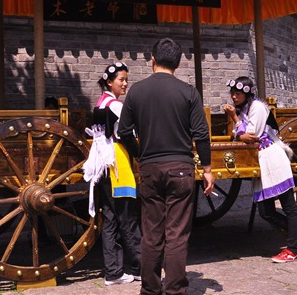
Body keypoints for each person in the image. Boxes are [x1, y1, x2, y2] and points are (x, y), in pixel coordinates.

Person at [118, 38, 214, 295]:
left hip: (150, 168)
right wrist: (207, 169)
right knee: (176, 234)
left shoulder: (136, 92)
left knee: (151, 233)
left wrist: (139, 154)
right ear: (179, 62)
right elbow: (202, 135)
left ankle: (150, 289)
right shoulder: (189, 92)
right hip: (181, 168)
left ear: (152, 59)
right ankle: (175, 290)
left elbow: (123, 131)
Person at [222, 76, 297, 263]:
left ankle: (293, 250)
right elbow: (240, 135)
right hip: (261, 161)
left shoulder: (257, 107)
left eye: (238, 93)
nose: (234, 96)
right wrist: (240, 131)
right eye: (232, 93)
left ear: (247, 93)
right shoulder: (245, 110)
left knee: (289, 206)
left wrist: (234, 119)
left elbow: (252, 135)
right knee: (265, 211)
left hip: (273, 158)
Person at [83, 62, 141, 286]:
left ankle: (114, 272)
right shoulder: (115, 105)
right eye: (121, 80)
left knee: (110, 219)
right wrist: (139, 154)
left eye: (126, 79)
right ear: (109, 81)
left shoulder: (99, 103)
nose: (125, 83)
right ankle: (139, 267)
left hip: (103, 163)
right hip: (117, 162)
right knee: (128, 218)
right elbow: (127, 134)